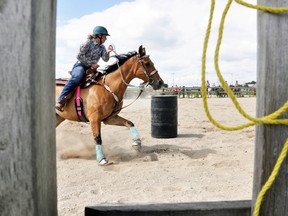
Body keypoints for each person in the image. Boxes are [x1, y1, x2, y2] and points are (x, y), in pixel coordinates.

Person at [56, 26, 114, 111]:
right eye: (105, 36)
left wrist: (108, 52)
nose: (106, 39)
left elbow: (106, 59)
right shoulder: (88, 43)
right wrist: (91, 63)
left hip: (92, 69)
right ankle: (60, 100)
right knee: (77, 77)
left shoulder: (102, 47)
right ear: (99, 36)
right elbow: (79, 56)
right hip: (80, 65)